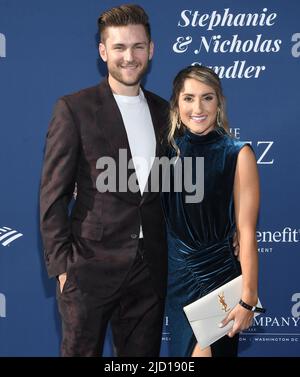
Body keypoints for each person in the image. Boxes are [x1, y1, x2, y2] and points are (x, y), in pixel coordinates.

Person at [39, 4, 169, 357]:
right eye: (119, 47)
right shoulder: (74, 109)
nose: (130, 56)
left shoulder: (166, 112)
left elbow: (181, 187)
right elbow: (53, 195)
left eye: (138, 46)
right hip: (89, 266)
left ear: (151, 50)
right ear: (103, 51)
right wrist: (63, 267)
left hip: (149, 270)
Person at [162, 65, 260, 357]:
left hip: (217, 280)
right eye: (189, 98)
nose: (198, 107)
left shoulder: (237, 153)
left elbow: (246, 232)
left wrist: (248, 300)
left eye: (207, 97)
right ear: (177, 104)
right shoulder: (165, 153)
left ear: (219, 102)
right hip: (176, 279)